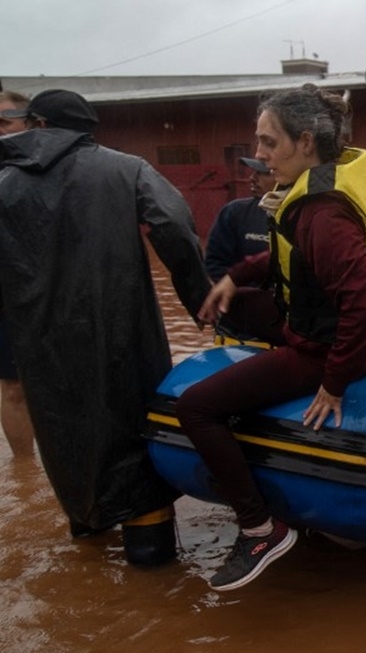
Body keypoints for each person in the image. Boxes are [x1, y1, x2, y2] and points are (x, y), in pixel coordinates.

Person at [175, 84, 366, 591]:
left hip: (331, 352)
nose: (258, 155)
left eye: (268, 143)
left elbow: (363, 305)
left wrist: (335, 384)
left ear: (304, 142)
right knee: (238, 307)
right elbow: (290, 254)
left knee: (195, 408)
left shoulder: (324, 214)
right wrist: (235, 276)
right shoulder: (324, 183)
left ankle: (259, 529)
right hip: (320, 330)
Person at [0, 89, 210, 565]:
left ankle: (87, 539)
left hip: (41, 345)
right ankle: (151, 563)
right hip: (123, 332)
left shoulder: (5, 183)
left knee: (66, 443)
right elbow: (174, 226)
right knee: (135, 440)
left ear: (36, 124)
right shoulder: (125, 168)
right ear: (87, 130)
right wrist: (200, 301)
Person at [0, 90, 35, 458]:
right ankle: (26, 472)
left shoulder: (52, 165)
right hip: (7, 293)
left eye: (5, 122)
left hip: (54, 290)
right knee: (13, 386)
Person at [205, 157, 273, 282]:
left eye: (264, 173)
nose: (252, 178)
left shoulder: (302, 214)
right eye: (254, 172)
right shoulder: (234, 212)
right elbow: (215, 262)